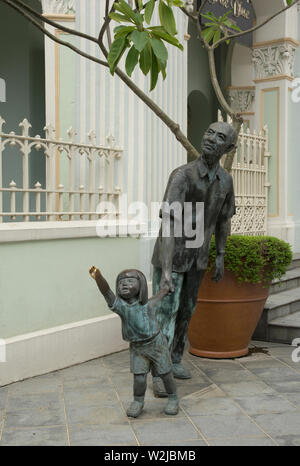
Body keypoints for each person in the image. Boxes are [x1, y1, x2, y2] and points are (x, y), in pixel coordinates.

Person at [151, 121, 237, 396]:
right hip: (172, 256)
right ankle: (157, 371)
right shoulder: (182, 176)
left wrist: (221, 254)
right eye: (209, 132)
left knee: (187, 310)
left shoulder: (226, 181)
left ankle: (175, 359)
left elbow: (223, 221)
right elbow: (168, 223)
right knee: (166, 311)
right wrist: (165, 270)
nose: (211, 138)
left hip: (198, 258)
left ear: (229, 147)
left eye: (220, 136)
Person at [89, 266, 179, 418]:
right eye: (121, 282)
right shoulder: (120, 306)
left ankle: (173, 398)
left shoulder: (147, 305)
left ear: (141, 285)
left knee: (166, 373)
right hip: (137, 347)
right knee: (139, 377)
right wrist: (98, 277)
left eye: (130, 281)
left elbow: (161, 294)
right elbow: (106, 292)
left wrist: (166, 288)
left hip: (156, 344)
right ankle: (138, 401)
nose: (124, 284)